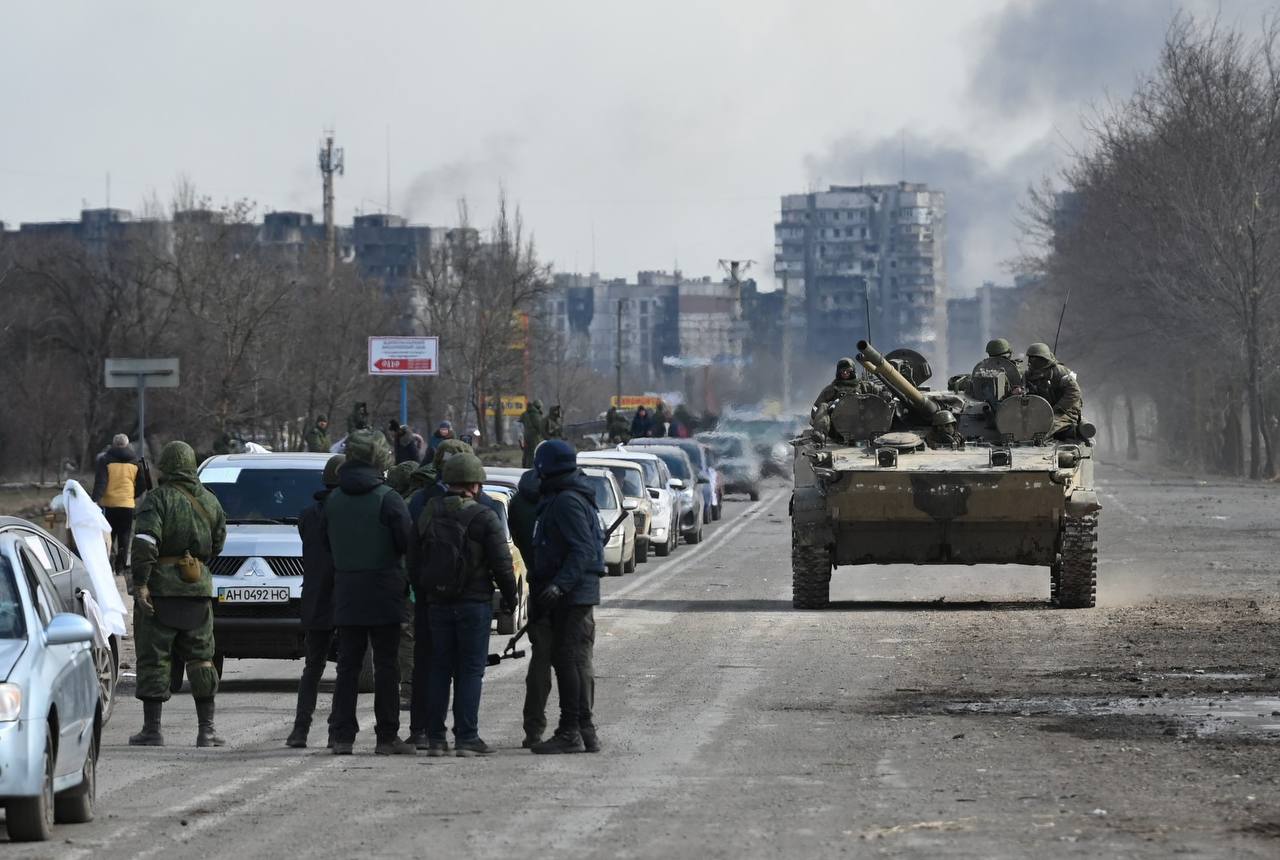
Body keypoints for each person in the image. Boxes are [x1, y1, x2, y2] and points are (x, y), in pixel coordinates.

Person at [411, 453, 517, 756]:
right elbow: (503, 565)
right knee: (470, 671)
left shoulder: (429, 512)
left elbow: (414, 561)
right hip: (474, 604)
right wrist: (512, 601)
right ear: (474, 484)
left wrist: (427, 595)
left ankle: (435, 739)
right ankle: (467, 738)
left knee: (438, 669)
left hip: (436, 604)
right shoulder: (484, 516)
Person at [321, 429, 416, 756]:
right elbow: (408, 544)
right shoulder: (388, 499)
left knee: (347, 665)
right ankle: (387, 737)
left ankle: (341, 735)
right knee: (387, 665)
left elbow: (325, 546)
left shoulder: (333, 500)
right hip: (386, 592)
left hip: (346, 591)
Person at [127, 441, 228, 748]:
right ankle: (206, 730)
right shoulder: (210, 501)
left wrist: (140, 583)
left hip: (160, 593)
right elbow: (218, 543)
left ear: (167, 466)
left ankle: (152, 730)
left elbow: (144, 544)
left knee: (155, 658)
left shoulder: (157, 500)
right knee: (202, 659)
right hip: (197, 591)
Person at [528, 440, 605, 754]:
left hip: (572, 594)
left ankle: (570, 730)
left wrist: (559, 585)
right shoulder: (566, 496)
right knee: (568, 658)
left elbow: (583, 550)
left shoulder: (566, 501)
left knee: (566, 659)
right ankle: (584, 729)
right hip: (571, 591)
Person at [287, 454, 344, 749]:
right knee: (345, 669)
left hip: (314, 598)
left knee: (313, 668)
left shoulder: (308, 515)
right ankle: (337, 732)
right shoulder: (348, 512)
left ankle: (300, 730)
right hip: (344, 599)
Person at [507, 469, 551, 747]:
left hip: (537, 584)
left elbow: (521, 540)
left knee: (540, 664)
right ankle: (578, 725)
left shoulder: (518, 502)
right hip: (566, 591)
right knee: (575, 663)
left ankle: (533, 729)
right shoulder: (564, 499)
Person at [92, 433, 146, 575]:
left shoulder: (105, 460)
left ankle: (109, 562)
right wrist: (132, 495)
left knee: (108, 535)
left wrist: (94, 500)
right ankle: (120, 567)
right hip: (127, 505)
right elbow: (143, 484)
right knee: (125, 535)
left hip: (108, 505)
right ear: (127, 445)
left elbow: (101, 482)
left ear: (114, 444)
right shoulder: (135, 462)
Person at [1024, 343, 1084, 437]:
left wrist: (1057, 408)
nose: (1033, 362)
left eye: (1037, 359)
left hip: (1065, 411)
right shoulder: (1030, 374)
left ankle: (1070, 432)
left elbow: (1074, 393)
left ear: (1044, 359)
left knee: (1046, 428)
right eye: (1031, 359)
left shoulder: (1060, 372)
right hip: (1044, 411)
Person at [519, 400, 547, 468]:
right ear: (538, 406)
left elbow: (520, 423)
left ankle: (524, 467)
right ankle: (531, 468)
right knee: (533, 453)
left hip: (526, 436)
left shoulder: (525, 414)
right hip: (534, 438)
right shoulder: (535, 414)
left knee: (526, 453)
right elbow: (540, 427)